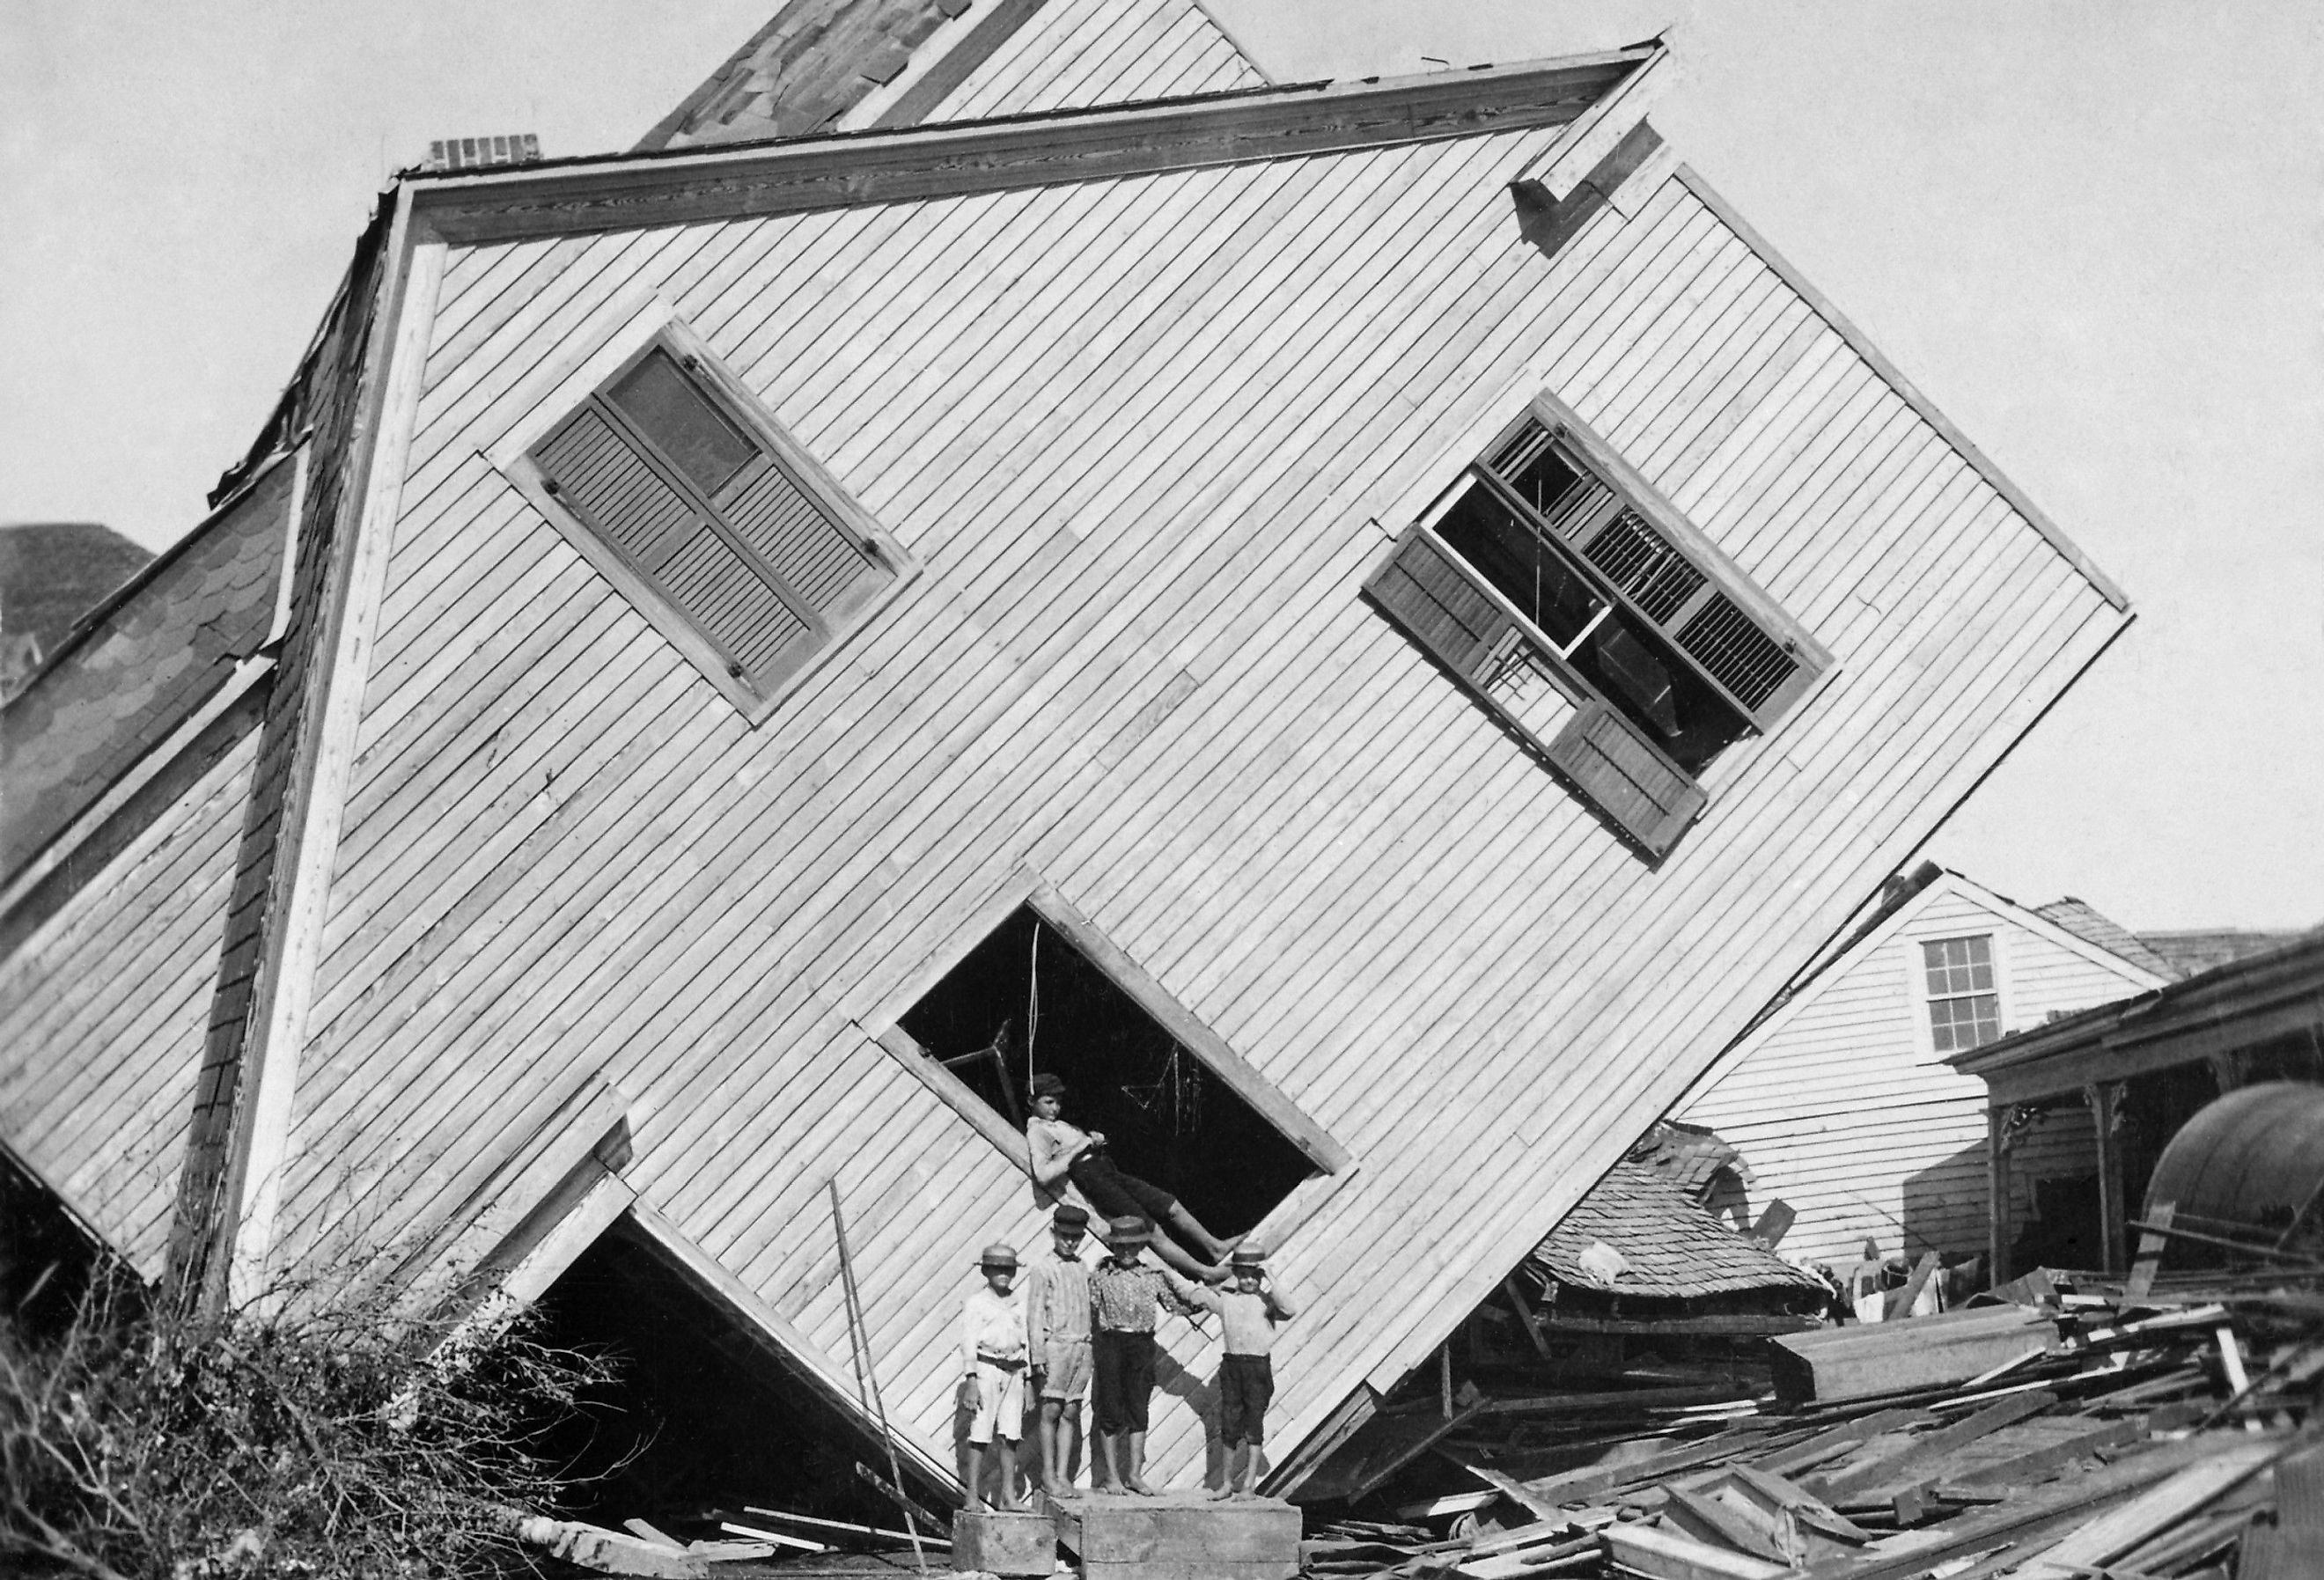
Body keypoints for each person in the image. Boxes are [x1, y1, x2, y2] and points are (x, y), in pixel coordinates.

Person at [1024, 1073, 1236, 1282]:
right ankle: (1206, 1273)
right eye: (1048, 1102)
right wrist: (1078, 1148)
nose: (1055, 1108)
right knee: (1152, 1229)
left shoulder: (1058, 1125)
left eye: (1058, 1102)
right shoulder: (1037, 1131)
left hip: (1106, 1170)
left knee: (1170, 1205)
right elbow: (1043, 1174)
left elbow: (1079, 1146)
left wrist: (1094, 1142)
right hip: (1094, 1181)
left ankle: (1216, 1247)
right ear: (1032, 1101)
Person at [1087, 1215, 1202, 1496]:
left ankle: (1135, 1475)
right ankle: (1112, 1476)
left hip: (1141, 1344)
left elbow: (1176, 1305)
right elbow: (1088, 1307)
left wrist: (1203, 1299)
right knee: (1110, 1409)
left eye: (1132, 1246)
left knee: (1138, 1409)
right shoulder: (1101, 1274)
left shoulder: (1153, 1276)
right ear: (1113, 1246)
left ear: (1140, 1247)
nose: (1126, 1252)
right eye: (1120, 1246)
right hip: (1112, 1342)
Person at [1179, 1244, 1297, 1499]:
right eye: (1243, 1274)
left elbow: (1290, 1309)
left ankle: (1249, 1486)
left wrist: (1271, 1277)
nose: (1249, 1280)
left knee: (1254, 1426)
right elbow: (1197, 1294)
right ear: (1236, 1274)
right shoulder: (1227, 1300)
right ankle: (1226, 1484)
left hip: (1257, 1370)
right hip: (1232, 1367)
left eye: (1254, 1275)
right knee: (1229, 1426)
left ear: (1261, 1276)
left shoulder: (1267, 1303)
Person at [960, 1242, 1030, 1510]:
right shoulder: (976, 1303)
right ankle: (972, 1496)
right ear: (986, 1271)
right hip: (987, 1370)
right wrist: (972, 1382)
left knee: (1011, 1434)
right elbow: (968, 1344)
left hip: (1014, 1370)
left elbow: (1026, 1342)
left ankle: (1009, 1497)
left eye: (1009, 1269)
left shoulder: (1019, 1302)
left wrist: (1029, 1380)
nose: (1003, 1274)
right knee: (980, 1433)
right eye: (997, 1268)